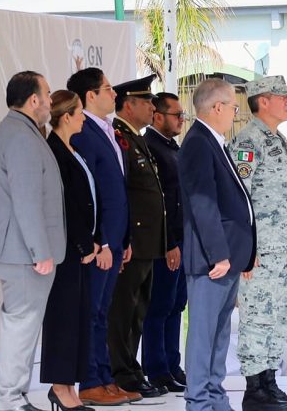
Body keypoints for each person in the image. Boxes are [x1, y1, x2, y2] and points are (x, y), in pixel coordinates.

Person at [0, 71, 65, 411]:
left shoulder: (22, 131)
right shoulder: (20, 136)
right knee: (20, 325)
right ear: (34, 100)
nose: (50, 101)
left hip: (22, 251)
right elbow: (26, 199)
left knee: (23, 325)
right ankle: (9, 400)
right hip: (23, 252)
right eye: (47, 94)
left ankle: (14, 397)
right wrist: (40, 251)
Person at [180, 77, 258, 411]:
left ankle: (213, 393)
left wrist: (245, 252)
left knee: (219, 332)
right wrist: (220, 254)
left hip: (228, 256)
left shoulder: (216, 141)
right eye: (233, 106)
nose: (235, 113)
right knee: (203, 333)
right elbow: (203, 203)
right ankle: (198, 399)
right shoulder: (198, 142)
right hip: (212, 258)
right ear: (216, 107)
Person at [230, 76, 287, 411]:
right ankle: (254, 389)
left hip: (281, 248)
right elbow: (239, 200)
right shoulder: (249, 142)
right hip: (259, 252)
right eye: (282, 97)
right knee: (257, 318)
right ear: (263, 101)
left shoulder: (278, 140)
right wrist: (247, 250)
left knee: (277, 317)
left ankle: (269, 384)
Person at [65, 68, 136, 407]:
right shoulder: (82, 132)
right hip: (100, 243)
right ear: (90, 96)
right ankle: (91, 380)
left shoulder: (108, 130)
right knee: (92, 311)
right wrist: (104, 241)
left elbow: (117, 190)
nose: (115, 95)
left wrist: (124, 238)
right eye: (108, 89)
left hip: (116, 238)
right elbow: (88, 194)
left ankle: (107, 379)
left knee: (104, 311)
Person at [108, 75, 169, 398]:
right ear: (128, 105)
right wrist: (126, 238)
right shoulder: (119, 137)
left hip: (148, 243)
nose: (152, 107)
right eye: (146, 102)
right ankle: (121, 370)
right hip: (134, 241)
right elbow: (122, 194)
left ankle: (132, 367)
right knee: (123, 309)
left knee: (138, 309)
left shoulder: (137, 138)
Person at [41, 90, 100, 411]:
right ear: (66, 117)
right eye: (79, 113)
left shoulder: (71, 150)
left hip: (82, 248)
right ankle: (58, 385)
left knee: (78, 319)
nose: (83, 119)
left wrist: (96, 239)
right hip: (66, 250)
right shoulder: (53, 152)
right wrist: (83, 243)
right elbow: (65, 206)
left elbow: (89, 198)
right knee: (62, 319)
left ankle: (70, 387)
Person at [142, 92, 188, 394]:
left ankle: (172, 364)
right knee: (159, 307)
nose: (181, 120)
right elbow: (159, 203)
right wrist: (169, 242)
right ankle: (156, 369)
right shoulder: (151, 147)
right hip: (165, 242)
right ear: (158, 116)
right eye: (176, 114)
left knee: (176, 305)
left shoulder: (173, 147)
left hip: (182, 241)